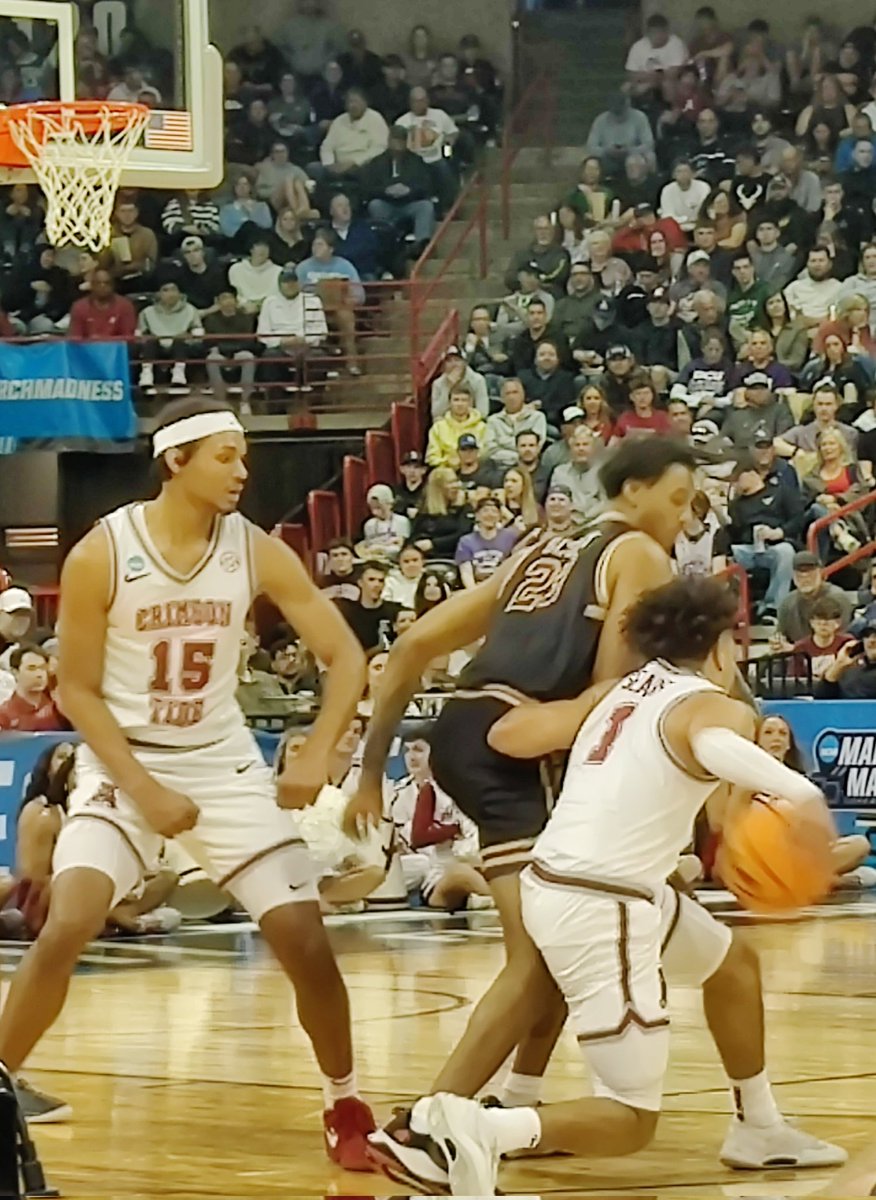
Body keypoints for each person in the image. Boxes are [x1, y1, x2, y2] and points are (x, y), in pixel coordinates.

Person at [354, 442, 842, 1182]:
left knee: (724, 960)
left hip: (472, 724)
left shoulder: (540, 547)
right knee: (535, 966)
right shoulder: (639, 556)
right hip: (525, 746)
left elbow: (417, 641)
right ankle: (433, 1129)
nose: (684, 519)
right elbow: (613, 693)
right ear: (636, 489)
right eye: (677, 500)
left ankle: (750, 1123)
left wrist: (368, 769)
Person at [0, 397, 376, 1168]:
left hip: (221, 759)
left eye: (244, 455)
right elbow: (76, 691)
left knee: (304, 939)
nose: (244, 470)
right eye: (227, 455)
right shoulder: (101, 552)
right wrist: (143, 789)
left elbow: (347, 658)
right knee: (69, 920)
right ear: (177, 461)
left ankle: (345, 1101)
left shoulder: (257, 550)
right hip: (122, 757)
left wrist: (316, 754)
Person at [729, 464, 805, 623]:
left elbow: (798, 519)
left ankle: (773, 608)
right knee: (725, 555)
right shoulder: (736, 505)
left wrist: (779, 532)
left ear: (752, 474)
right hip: (750, 547)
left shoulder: (780, 492)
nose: (736, 483)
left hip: (777, 543)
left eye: (738, 478)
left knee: (785, 552)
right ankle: (735, 611)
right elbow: (735, 532)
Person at [362, 125, 437, 249]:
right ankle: (386, 243)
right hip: (387, 203)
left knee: (426, 206)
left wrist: (409, 190)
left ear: (405, 142)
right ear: (389, 141)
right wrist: (386, 190)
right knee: (375, 205)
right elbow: (368, 188)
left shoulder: (416, 161)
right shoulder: (376, 162)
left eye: (401, 141)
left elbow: (426, 185)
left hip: (409, 203)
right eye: (394, 140)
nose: (397, 144)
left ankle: (421, 244)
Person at [137, 280, 204, 391]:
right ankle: (146, 374)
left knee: (179, 342)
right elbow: (139, 335)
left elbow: (199, 333)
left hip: (182, 346)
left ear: (180, 293)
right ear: (158, 294)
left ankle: (178, 373)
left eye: (173, 290)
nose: (170, 294)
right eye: (166, 290)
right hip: (157, 346)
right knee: (150, 343)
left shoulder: (191, 310)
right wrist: (146, 338)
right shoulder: (147, 312)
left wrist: (189, 336)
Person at [777, 550, 853, 644]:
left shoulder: (837, 598)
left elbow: (842, 636)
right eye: (800, 575)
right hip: (799, 655)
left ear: (820, 572)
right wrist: (778, 643)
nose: (805, 579)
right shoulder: (787, 603)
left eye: (810, 574)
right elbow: (781, 636)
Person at [203, 289, 258, 412]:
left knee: (249, 357)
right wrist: (222, 350)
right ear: (218, 302)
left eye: (230, 298)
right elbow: (209, 342)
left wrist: (228, 350)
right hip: (220, 354)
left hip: (240, 352)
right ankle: (220, 401)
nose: (227, 301)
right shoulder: (211, 319)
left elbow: (248, 341)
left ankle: (245, 401)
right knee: (211, 359)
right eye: (224, 298)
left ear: (236, 301)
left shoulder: (245, 318)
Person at [455, 497, 519, 589]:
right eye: (485, 511)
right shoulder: (466, 541)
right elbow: (466, 573)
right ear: (477, 515)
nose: (490, 515)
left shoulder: (511, 537)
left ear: (500, 516)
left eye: (494, 511)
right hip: (477, 588)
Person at [336, 561, 399, 653]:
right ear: (360, 582)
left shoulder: (395, 612)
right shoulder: (348, 614)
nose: (377, 584)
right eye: (371, 580)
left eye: (381, 580)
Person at [410, 468, 473, 559]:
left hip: (454, 557)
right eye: (450, 482)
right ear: (438, 487)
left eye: (456, 481)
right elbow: (414, 535)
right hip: (426, 558)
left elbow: (464, 534)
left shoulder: (464, 508)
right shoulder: (425, 510)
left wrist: (434, 544)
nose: (456, 486)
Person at [0, 645, 65, 732]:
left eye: (42, 668)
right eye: (32, 668)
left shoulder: (58, 705)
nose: (39, 674)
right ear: (15, 672)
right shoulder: (5, 715)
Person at [548, 425, 604, 522]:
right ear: (571, 449)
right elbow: (554, 503)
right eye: (577, 445)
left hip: (595, 523)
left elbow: (606, 503)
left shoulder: (603, 472)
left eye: (585, 444)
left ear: (593, 448)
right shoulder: (559, 472)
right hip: (566, 524)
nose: (581, 448)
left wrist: (585, 516)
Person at [426, 385, 487, 469]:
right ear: (449, 403)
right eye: (456, 400)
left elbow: (486, 453)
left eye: (464, 400)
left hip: (476, 470)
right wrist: (447, 462)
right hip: (447, 470)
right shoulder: (438, 427)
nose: (460, 404)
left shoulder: (482, 427)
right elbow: (431, 458)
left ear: (471, 403)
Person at [67, 268, 137, 341]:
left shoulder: (125, 306)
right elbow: (75, 339)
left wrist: (102, 340)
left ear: (113, 285)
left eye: (106, 283)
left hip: (117, 351)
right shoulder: (79, 307)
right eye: (98, 283)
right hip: (86, 351)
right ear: (92, 285)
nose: (102, 286)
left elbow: (129, 338)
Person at [815, 624, 876, 699]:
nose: (871, 641)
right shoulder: (848, 670)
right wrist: (838, 665)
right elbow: (821, 700)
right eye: (867, 636)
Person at [229, 239, 282, 315]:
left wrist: (259, 306)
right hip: (242, 309)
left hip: (271, 310)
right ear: (251, 249)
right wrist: (245, 304)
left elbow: (277, 296)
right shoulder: (236, 269)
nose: (263, 249)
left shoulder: (278, 271)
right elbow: (234, 293)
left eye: (266, 246)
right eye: (258, 245)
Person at [358, 485, 411, 561]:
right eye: (372, 508)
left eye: (379, 507)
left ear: (389, 504)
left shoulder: (401, 521)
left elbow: (401, 547)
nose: (375, 512)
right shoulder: (369, 525)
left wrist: (381, 548)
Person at [383, 543, 426, 609]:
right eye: (406, 561)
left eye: (415, 560)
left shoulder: (431, 580)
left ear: (423, 562)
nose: (411, 564)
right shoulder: (390, 582)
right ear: (399, 564)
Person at [394, 451, 428, 521]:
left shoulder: (429, 492)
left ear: (424, 470)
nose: (412, 471)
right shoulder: (395, 492)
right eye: (408, 467)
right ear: (401, 469)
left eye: (416, 467)